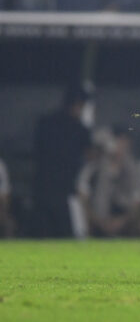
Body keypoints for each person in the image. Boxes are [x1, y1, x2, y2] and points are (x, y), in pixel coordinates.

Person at [33, 84, 92, 237]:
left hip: (42, 188)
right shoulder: (80, 129)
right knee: (66, 235)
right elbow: (89, 156)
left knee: (43, 235)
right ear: (77, 103)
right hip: (65, 191)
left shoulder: (45, 123)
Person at [76, 126, 140, 237]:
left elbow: (137, 204)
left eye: (124, 142)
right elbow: (82, 199)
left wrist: (121, 221)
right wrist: (99, 221)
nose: (121, 146)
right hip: (97, 219)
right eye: (117, 141)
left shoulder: (133, 169)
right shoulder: (94, 168)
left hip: (124, 220)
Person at [0, 157, 15, 237]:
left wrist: (4, 198)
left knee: (4, 218)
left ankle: (9, 239)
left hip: (2, 195)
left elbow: (5, 186)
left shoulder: (0, 164)